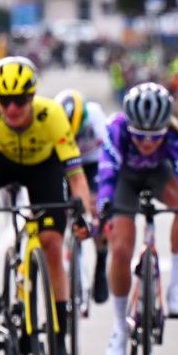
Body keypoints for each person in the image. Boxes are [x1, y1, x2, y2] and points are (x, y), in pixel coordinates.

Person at [0, 57, 93, 355]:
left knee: (52, 245)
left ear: (32, 96)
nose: (12, 108)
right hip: (0, 164)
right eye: (4, 101)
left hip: (42, 167)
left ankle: (59, 341)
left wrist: (84, 216)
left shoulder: (52, 115)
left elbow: (76, 176)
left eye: (19, 100)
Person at [97, 82, 178, 355]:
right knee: (121, 249)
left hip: (159, 175)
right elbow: (106, 174)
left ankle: (175, 288)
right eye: (140, 136)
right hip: (125, 179)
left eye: (155, 137)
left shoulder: (174, 136)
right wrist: (104, 207)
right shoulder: (116, 130)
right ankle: (120, 328)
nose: (147, 143)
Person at [55, 88, 110, 304]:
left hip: (93, 164)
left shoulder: (95, 116)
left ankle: (101, 264)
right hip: (67, 163)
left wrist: (100, 195)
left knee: (97, 210)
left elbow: (108, 154)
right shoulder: (54, 119)